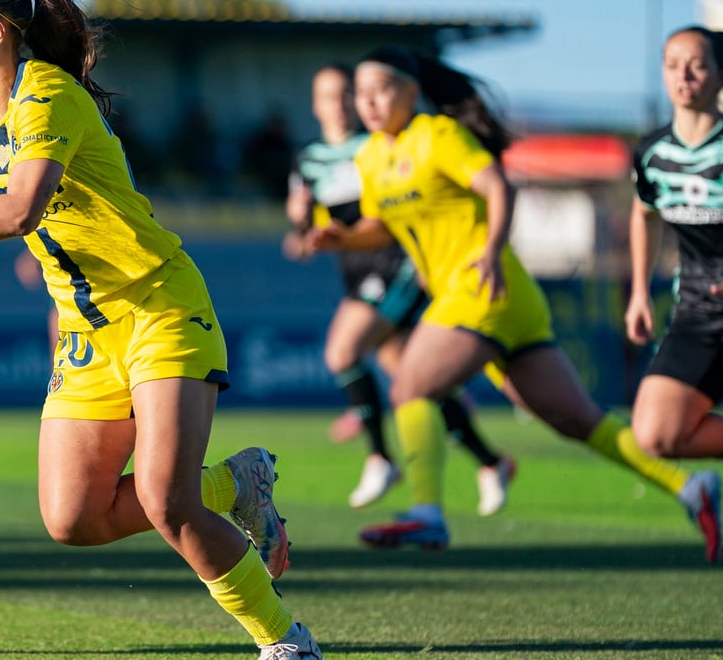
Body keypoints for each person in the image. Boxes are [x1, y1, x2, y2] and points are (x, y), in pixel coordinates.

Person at [0, 0, 321, 660]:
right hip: (87, 328)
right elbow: (44, 212)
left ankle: (286, 642)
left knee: (167, 501)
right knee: (72, 517)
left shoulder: (49, 94)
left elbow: (19, 207)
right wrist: (43, 251)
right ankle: (237, 481)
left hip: (159, 304)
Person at [307, 45, 721, 562]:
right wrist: (339, 239)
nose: (368, 102)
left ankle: (427, 514)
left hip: (482, 289)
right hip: (505, 302)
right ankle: (691, 488)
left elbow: (498, 186)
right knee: (577, 420)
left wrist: (490, 252)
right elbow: (383, 227)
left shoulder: (438, 136)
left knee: (411, 385)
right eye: (360, 93)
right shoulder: (371, 155)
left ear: (411, 92)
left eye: (381, 89)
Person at [285, 63, 513, 515]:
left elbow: (393, 213)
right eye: (328, 96)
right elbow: (308, 224)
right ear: (315, 105)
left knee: (342, 352)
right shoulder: (307, 159)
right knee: (415, 382)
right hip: (355, 271)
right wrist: (302, 227)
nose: (341, 104)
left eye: (347, 94)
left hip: (396, 267)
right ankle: (491, 461)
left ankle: (381, 458)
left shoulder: (376, 145)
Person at [625, 25, 723, 542]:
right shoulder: (651, 152)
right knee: (655, 435)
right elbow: (643, 215)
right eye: (672, 64)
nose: (683, 75)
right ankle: (708, 490)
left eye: (697, 64)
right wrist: (640, 291)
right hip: (696, 314)